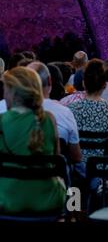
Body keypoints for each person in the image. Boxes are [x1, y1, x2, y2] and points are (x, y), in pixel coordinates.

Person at [0, 67, 66, 214]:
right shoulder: (49, 120)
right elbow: (56, 160)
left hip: (6, 201)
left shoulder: (2, 121)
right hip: (48, 201)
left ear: (11, 92)